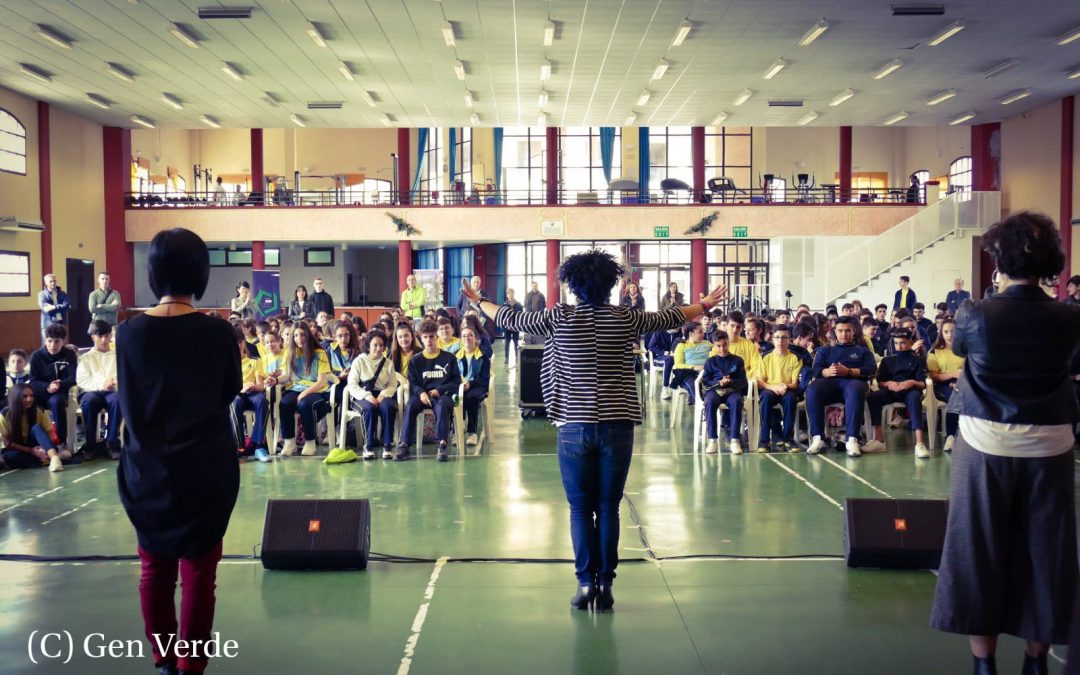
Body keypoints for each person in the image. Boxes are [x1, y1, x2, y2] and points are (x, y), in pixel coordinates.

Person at [460, 250, 726, 612]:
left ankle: (586, 585)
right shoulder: (625, 317)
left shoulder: (559, 317)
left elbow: (511, 316)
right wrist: (705, 304)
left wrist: (479, 301)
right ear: (610, 284)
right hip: (618, 427)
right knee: (609, 506)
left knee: (580, 508)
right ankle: (607, 587)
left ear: (573, 285)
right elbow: (670, 316)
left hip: (573, 426)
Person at [930, 211, 1080, 675]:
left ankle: (984, 663)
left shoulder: (973, 313)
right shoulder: (1069, 316)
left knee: (978, 548)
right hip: (1050, 444)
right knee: (1047, 551)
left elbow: (960, 353)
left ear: (999, 260)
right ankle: (1036, 662)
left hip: (985, 441)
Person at [116, 228, 241, 675]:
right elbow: (230, 391)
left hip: (146, 467)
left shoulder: (128, 333)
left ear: (153, 272)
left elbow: (128, 403)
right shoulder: (218, 332)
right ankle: (191, 666)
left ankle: (164, 660)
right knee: (199, 574)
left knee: (154, 568)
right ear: (200, 272)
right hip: (206, 466)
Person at [805, 316, 877, 457]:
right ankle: (818, 438)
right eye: (840, 331)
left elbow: (871, 370)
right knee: (812, 389)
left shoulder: (863, 351)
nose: (844, 334)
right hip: (829, 384)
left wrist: (849, 371)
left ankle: (852, 439)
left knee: (855, 389)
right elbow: (816, 369)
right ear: (835, 332)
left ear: (854, 331)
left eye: (847, 331)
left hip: (853, 383)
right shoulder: (824, 351)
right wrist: (827, 371)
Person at [397, 319, 460, 462]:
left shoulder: (449, 358)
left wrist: (440, 389)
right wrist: (421, 393)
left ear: (436, 337)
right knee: (411, 405)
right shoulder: (415, 360)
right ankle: (404, 444)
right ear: (420, 338)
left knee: (442, 406)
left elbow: (456, 381)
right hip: (422, 395)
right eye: (425, 337)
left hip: (443, 395)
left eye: (431, 336)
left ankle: (442, 444)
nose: (429, 340)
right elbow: (413, 382)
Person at [863, 329, 930, 458]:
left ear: (911, 342)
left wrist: (912, 382)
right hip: (891, 391)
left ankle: (920, 443)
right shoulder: (887, 360)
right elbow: (880, 382)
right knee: (873, 397)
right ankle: (878, 440)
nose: (900, 346)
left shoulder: (919, 360)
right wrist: (888, 383)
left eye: (903, 343)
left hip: (910, 391)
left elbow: (923, 383)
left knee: (915, 398)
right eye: (897, 343)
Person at [278, 322, 331, 457]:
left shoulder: (320, 353)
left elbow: (321, 381)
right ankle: (289, 442)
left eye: (302, 335)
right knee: (285, 403)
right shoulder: (289, 353)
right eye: (295, 335)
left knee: (304, 404)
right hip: (295, 388)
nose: (299, 338)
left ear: (307, 335)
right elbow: (285, 376)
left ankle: (310, 441)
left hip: (316, 390)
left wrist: (304, 393)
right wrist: (276, 380)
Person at [347, 329, 398, 460]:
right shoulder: (359, 361)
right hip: (362, 396)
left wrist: (383, 395)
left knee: (388, 407)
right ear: (368, 345)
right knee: (369, 409)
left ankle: (387, 445)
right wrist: (367, 396)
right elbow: (352, 384)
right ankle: (368, 445)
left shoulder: (388, 363)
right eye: (375, 345)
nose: (379, 348)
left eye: (381, 345)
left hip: (382, 395)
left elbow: (392, 384)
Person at [77, 320, 122, 460]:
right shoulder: (86, 358)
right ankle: (91, 444)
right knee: (89, 402)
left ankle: (112, 443)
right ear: (93, 337)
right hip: (92, 391)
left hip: (113, 391)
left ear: (111, 336)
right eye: (100, 336)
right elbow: (82, 380)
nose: (104, 340)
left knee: (118, 400)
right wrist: (102, 383)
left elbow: (125, 375)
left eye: (107, 336)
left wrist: (114, 383)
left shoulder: (118, 355)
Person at [30, 323, 78, 451]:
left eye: (57, 342)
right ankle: (34, 442)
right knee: (29, 403)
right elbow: (33, 381)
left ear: (63, 341)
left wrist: (59, 384)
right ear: (45, 339)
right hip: (41, 393)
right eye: (50, 341)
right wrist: (47, 386)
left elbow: (73, 378)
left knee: (57, 402)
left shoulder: (69, 355)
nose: (53, 345)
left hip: (59, 392)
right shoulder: (37, 356)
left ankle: (61, 442)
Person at [756, 324, 803, 453]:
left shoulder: (795, 358)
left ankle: (788, 438)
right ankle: (764, 439)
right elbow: (760, 381)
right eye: (777, 337)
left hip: (787, 389)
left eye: (784, 338)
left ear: (789, 339)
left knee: (791, 399)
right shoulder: (766, 357)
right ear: (772, 339)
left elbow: (795, 383)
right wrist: (773, 387)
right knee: (765, 398)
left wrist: (785, 386)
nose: (780, 341)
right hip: (770, 388)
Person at [701, 331, 748, 455]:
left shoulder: (738, 360)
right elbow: (705, 382)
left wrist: (730, 381)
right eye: (718, 346)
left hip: (732, 391)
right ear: (714, 346)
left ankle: (735, 440)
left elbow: (743, 381)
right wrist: (719, 383)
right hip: (714, 391)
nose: (722, 348)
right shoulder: (710, 362)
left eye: (725, 345)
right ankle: (712, 440)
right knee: (709, 401)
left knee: (737, 401)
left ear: (728, 343)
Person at [0, 383, 65, 471]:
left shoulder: (39, 411)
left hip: (39, 446)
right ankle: (49, 458)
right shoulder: (5, 414)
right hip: (18, 449)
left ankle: (54, 458)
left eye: (31, 396)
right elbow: (7, 443)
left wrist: (43, 449)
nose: (29, 399)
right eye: (24, 396)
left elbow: (50, 435)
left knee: (36, 427)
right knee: (10, 457)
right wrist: (30, 450)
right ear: (16, 398)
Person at [230, 325, 270, 462]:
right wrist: (240, 388)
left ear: (243, 342)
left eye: (239, 342)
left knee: (262, 401)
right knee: (234, 403)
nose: (237, 346)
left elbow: (260, 385)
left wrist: (253, 386)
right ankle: (240, 448)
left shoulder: (255, 361)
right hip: (236, 395)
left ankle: (259, 446)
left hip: (252, 393)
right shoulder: (228, 363)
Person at [927, 318, 963, 452]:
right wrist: (953, 374)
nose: (949, 335)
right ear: (941, 333)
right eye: (946, 331)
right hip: (942, 386)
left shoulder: (966, 350)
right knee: (955, 396)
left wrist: (960, 381)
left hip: (963, 383)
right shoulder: (934, 351)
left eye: (953, 331)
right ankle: (951, 436)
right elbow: (934, 376)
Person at [458, 324, 491, 447]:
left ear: (476, 338)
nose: (467, 338)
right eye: (464, 336)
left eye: (470, 335)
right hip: (459, 387)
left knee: (470, 398)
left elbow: (484, 379)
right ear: (461, 339)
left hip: (478, 387)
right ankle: (457, 429)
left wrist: (470, 384)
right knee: (454, 399)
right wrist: (461, 384)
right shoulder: (455, 356)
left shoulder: (483, 356)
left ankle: (472, 432)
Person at [37, 273, 69, 343]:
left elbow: (66, 306)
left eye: (54, 281)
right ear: (46, 283)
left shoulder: (63, 294)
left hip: (61, 322)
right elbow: (46, 309)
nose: (53, 283)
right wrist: (60, 307)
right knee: (48, 344)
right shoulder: (42, 294)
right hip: (48, 323)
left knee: (60, 343)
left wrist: (54, 307)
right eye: (50, 281)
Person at [501, 288, 523, 364]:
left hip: (515, 327)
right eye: (509, 293)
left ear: (514, 294)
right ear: (507, 295)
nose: (510, 295)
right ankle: (506, 358)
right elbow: (502, 316)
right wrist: (504, 326)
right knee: (507, 342)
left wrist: (519, 326)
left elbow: (521, 316)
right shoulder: (504, 305)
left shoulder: (519, 304)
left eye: (512, 293)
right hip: (507, 328)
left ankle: (517, 357)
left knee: (516, 343)